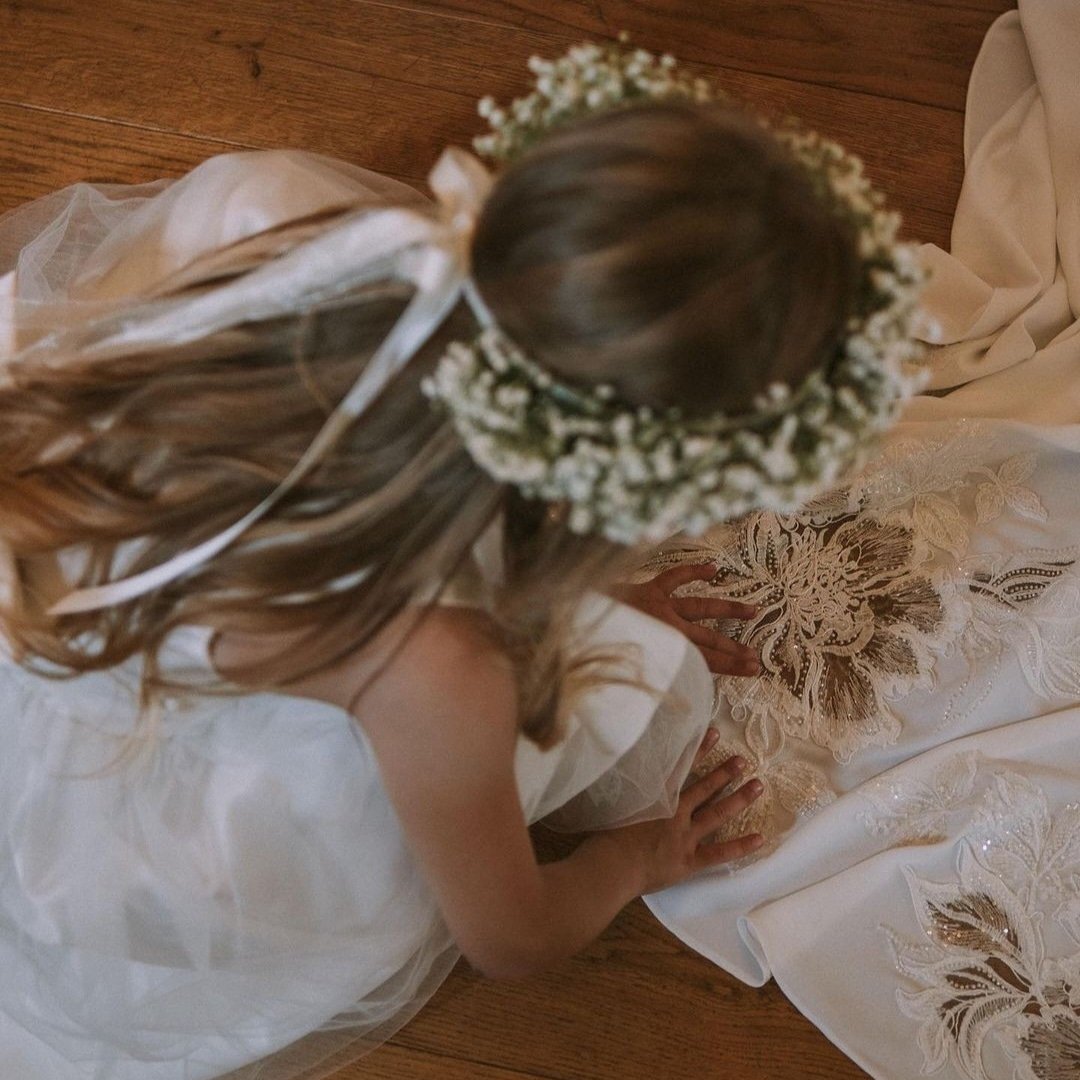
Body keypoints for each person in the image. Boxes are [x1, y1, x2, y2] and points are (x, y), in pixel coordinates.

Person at [0, 39, 920, 1080]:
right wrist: (637, 855)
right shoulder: (437, 669)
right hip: (136, 776)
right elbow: (511, 939)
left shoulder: (280, 215)